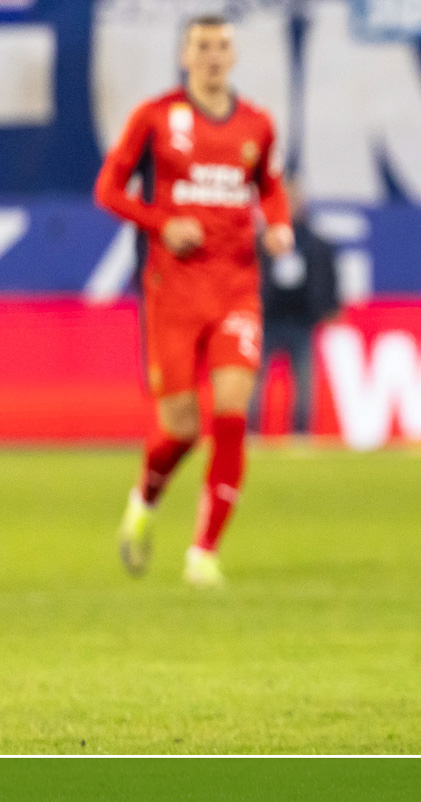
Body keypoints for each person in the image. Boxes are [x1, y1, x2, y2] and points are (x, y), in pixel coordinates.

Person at [95, 15, 292, 587]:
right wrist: (162, 223)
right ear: (184, 56)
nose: (213, 55)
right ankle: (144, 500)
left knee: (231, 415)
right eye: (202, 46)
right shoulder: (155, 118)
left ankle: (203, 553)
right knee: (180, 429)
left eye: (222, 46)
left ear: (234, 56)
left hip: (237, 288)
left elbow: (269, 186)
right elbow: (108, 190)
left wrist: (278, 224)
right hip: (173, 293)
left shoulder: (257, 124)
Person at [248, 178, 339, 436]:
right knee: (254, 380)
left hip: (301, 320)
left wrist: (330, 305)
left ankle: (301, 431)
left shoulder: (314, 242)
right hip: (267, 319)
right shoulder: (260, 241)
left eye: (294, 200)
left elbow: (327, 274)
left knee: (304, 380)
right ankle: (251, 430)